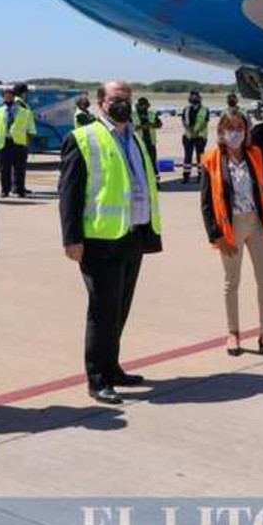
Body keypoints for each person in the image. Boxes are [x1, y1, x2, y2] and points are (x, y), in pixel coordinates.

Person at [59, 80, 163, 405]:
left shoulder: (135, 138)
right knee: (102, 311)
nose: (124, 103)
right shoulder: (84, 138)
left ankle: (112, 367)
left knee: (120, 308)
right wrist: (71, 237)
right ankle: (98, 378)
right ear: (101, 102)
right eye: (118, 98)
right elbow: (70, 193)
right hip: (99, 239)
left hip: (132, 234)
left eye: (127, 98)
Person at [200, 111, 263, 357]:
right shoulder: (211, 159)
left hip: (257, 224)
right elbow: (206, 204)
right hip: (230, 227)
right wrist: (216, 236)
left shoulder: (255, 155)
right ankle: (233, 332)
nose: (235, 132)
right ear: (221, 132)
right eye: (230, 128)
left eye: (240, 128)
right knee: (231, 282)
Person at [0, 85, 36, 198]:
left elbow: (31, 129)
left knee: (20, 169)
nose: (8, 99)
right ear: (3, 98)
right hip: (4, 142)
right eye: (6, 97)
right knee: (4, 169)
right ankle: (4, 190)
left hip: (19, 143)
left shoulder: (25, 112)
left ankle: (20, 190)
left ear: (13, 97)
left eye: (10, 96)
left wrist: (26, 143)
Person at [180, 91, 209, 183]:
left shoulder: (205, 110)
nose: (193, 99)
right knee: (187, 157)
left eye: (195, 97)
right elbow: (184, 122)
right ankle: (186, 177)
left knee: (200, 157)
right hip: (188, 136)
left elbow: (204, 122)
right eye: (192, 97)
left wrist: (196, 131)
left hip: (200, 136)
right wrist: (191, 132)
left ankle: (201, 176)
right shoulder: (186, 109)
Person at [135, 96, 162, 162]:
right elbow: (129, 128)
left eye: (145, 105)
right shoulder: (133, 115)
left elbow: (159, 124)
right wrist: (141, 127)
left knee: (152, 160)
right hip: (138, 142)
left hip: (151, 142)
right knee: (140, 160)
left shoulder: (151, 114)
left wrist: (151, 125)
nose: (144, 107)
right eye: (142, 105)